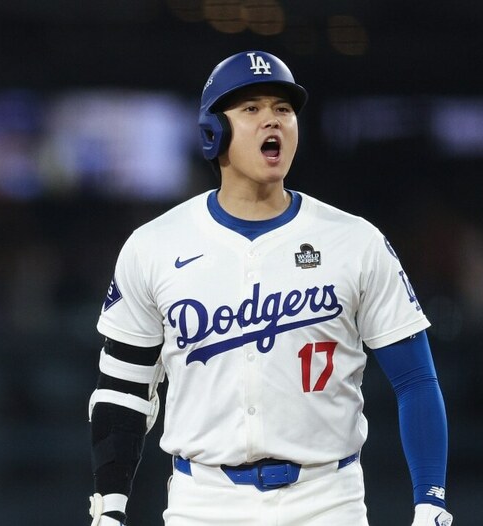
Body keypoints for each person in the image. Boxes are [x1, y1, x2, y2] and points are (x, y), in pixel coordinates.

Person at [88, 50, 452, 526]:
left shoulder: (354, 241)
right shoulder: (154, 245)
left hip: (327, 500)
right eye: (251, 108)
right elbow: (123, 388)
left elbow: (416, 380)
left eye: (283, 109)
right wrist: (109, 509)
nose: (271, 121)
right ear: (212, 132)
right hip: (204, 504)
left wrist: (431, 499)